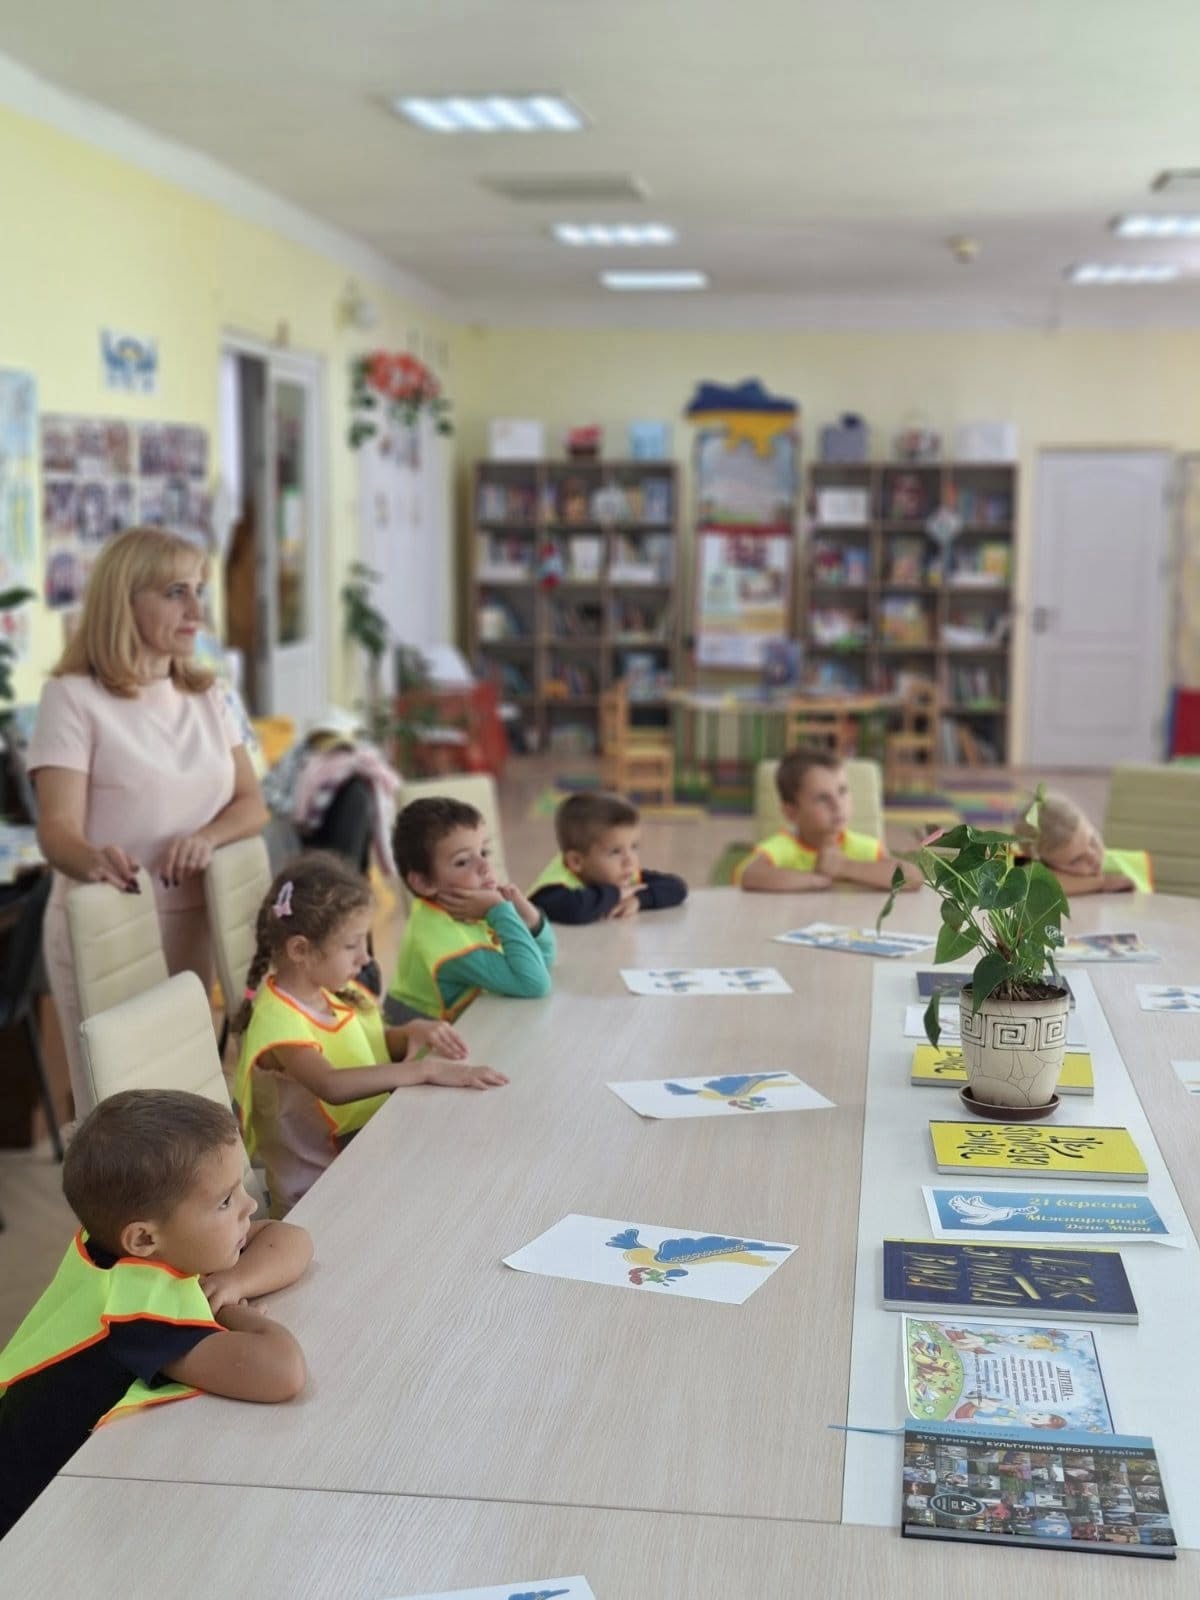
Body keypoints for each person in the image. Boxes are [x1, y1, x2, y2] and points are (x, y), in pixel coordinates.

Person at [27, 527, 269, 1109]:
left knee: (182, 1103)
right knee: (120, 1112)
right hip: (108, 928)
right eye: (175, 593)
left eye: (198, 591)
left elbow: (251, 804)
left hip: (194, 920)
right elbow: (56, 830)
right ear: (124, 600)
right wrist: (91, 858)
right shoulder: (72, 698)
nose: (196, 611)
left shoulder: (209, 696)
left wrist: (207, 836)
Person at [0, 1090, 309, 1538]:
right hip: (28, 1526)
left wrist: (232, 1283)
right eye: (225, 1202)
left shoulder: (120, 1243)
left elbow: (291, 1239)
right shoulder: (136, 1318)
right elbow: (282, 1373)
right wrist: (234, 1314)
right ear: (143, 1240)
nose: (250, 1206)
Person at [236, 851, 507, 1216]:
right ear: (300, 950)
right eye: (352, 945)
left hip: (367, 1153)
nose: (365, 958)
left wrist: (407, 1033)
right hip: (319, 1196)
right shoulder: (277, 1020)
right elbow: (331, 1084)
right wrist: (423, 1070)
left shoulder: (327, 988)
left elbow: (360, 1046)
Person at [389, 796, 556, 1022]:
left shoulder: (471, 907)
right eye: (462, 862)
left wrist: (528, 915)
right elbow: (534, 983)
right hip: (425, 1040)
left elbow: (546, 957)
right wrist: (500, 909)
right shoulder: (446, 940)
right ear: (424, 882)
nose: (485, 866)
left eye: (484, 852)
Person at [736, 747, 921, 893]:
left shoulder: (864, 847)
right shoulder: (782, 847)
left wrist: (844, 867)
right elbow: (749, 875)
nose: (837, 805)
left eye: (842, 791)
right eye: (822, 798)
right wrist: (818, 880)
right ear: (791, 813)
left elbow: (913, 877)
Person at [528, 791, 688, 924]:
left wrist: (639, 899)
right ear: (576, 862)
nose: (629, 860)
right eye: (615, 852)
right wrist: (618, 893)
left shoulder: (621, 874)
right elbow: (576, 910)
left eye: (634, 847)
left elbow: (676, 887)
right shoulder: (552, 888)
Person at [1017, 791, 1152, 895]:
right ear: (1046, 864)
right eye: (1076, 860)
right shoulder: (1033, 871)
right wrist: (1103, 883)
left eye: (1092, 841)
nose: (1093, 857)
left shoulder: (1124, 866)